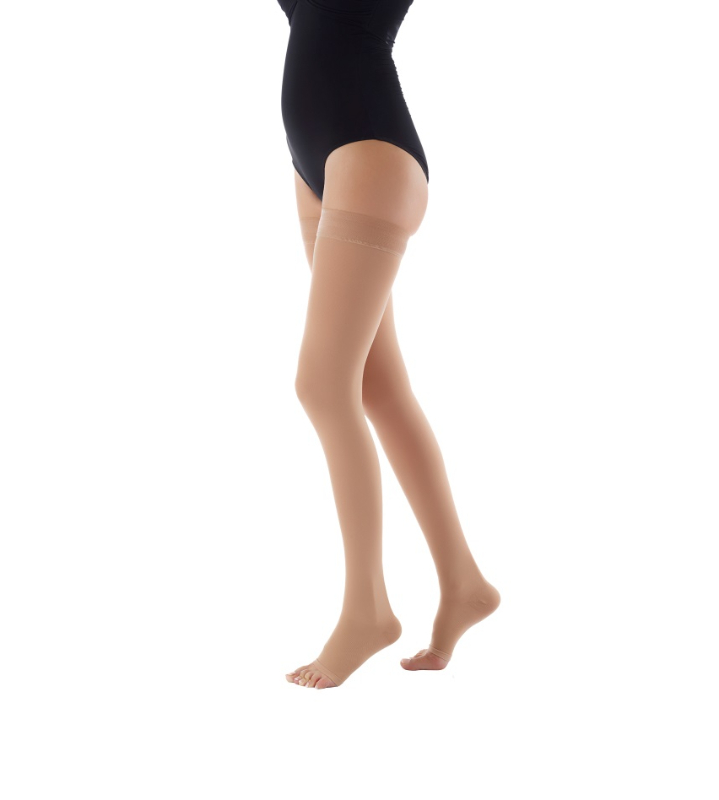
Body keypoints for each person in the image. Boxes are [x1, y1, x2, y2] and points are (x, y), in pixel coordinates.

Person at [277, 0, 501, 689]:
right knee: (377, 386)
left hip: (369, 150)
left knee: (322, 385)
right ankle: (463, 582)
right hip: (319, 161)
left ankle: (367, 609)